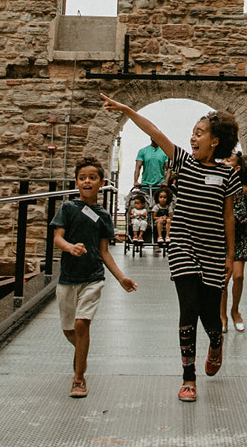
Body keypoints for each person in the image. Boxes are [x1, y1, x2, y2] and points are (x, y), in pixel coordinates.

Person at [102, 95, 239, 403]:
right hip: (182, 245)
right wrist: (126, 111)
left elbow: (229, 216)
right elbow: (156, 131)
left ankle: (215, 343)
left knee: (210, 317)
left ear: (215, 141)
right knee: (188, 309)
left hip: (214, 248)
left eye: (200, 132)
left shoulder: (228, 175)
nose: (193, 136)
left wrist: (230, 255)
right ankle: (188, 378)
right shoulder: (183, 162)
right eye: (193, 131)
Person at [50, 157, 137, 399]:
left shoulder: (103, 215)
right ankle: (82, 355)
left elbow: (104, 251)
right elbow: (57, 238)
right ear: (76, 182)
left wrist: (120, 277)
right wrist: (69, 247)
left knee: (81, 323)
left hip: (93, 277)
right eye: (82, 178)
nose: (87, 181)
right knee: (69, 330)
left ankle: (79, 378)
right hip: (68, 277)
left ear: (102, 182)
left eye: (92, 177)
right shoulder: (67, 208)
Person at [223, 152, 247, 332]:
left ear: (237, 168)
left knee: (238, 276)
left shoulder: (245, 190)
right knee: (223, 279)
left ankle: (235, 311)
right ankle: (221, 315)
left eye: (228, 160)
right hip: (222, 238)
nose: (223, 161)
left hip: (239, 237)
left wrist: (244, 218)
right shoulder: (220, 187)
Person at [134, 136, 169, 213]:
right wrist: (136, 181)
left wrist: (166, 181)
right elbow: (138, 167)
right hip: (145, 185)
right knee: (144, 207)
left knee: (159, 209)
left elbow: (169, 168)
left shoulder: (165, 152)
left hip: (159, 185)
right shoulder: (143, 151)